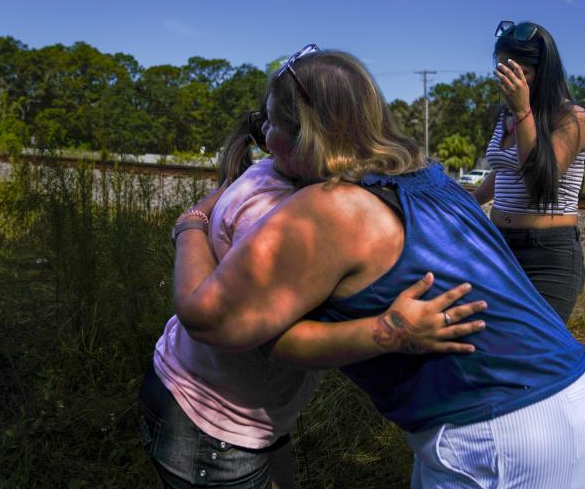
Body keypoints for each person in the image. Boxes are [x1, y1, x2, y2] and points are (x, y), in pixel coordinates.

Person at [172, 45, 585, 488]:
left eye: (273, 123)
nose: (264, 136)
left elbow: (208, 318)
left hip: (498, 436)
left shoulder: (332, 208)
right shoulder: (429, 178)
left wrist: (191, 225)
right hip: (571, 395)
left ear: (307, 132)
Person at [139, 96, 484, 489]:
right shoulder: (280, 216)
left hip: (221, 406)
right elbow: (267, 341)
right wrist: (392, 330)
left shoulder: (276, 173)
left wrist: (193, 219)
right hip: (213, 423)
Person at [472, 21, 585, 324]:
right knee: (492, 343)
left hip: (547, 253)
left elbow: (541, 179)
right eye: (502, 71)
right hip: (499, 244)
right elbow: (504, 171)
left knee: (535, 352)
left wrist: (523, 111)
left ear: (542, 73)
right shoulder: (507, 116)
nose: (508, 81)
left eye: (518, 73)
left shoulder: (570, 117)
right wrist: (466, 202)